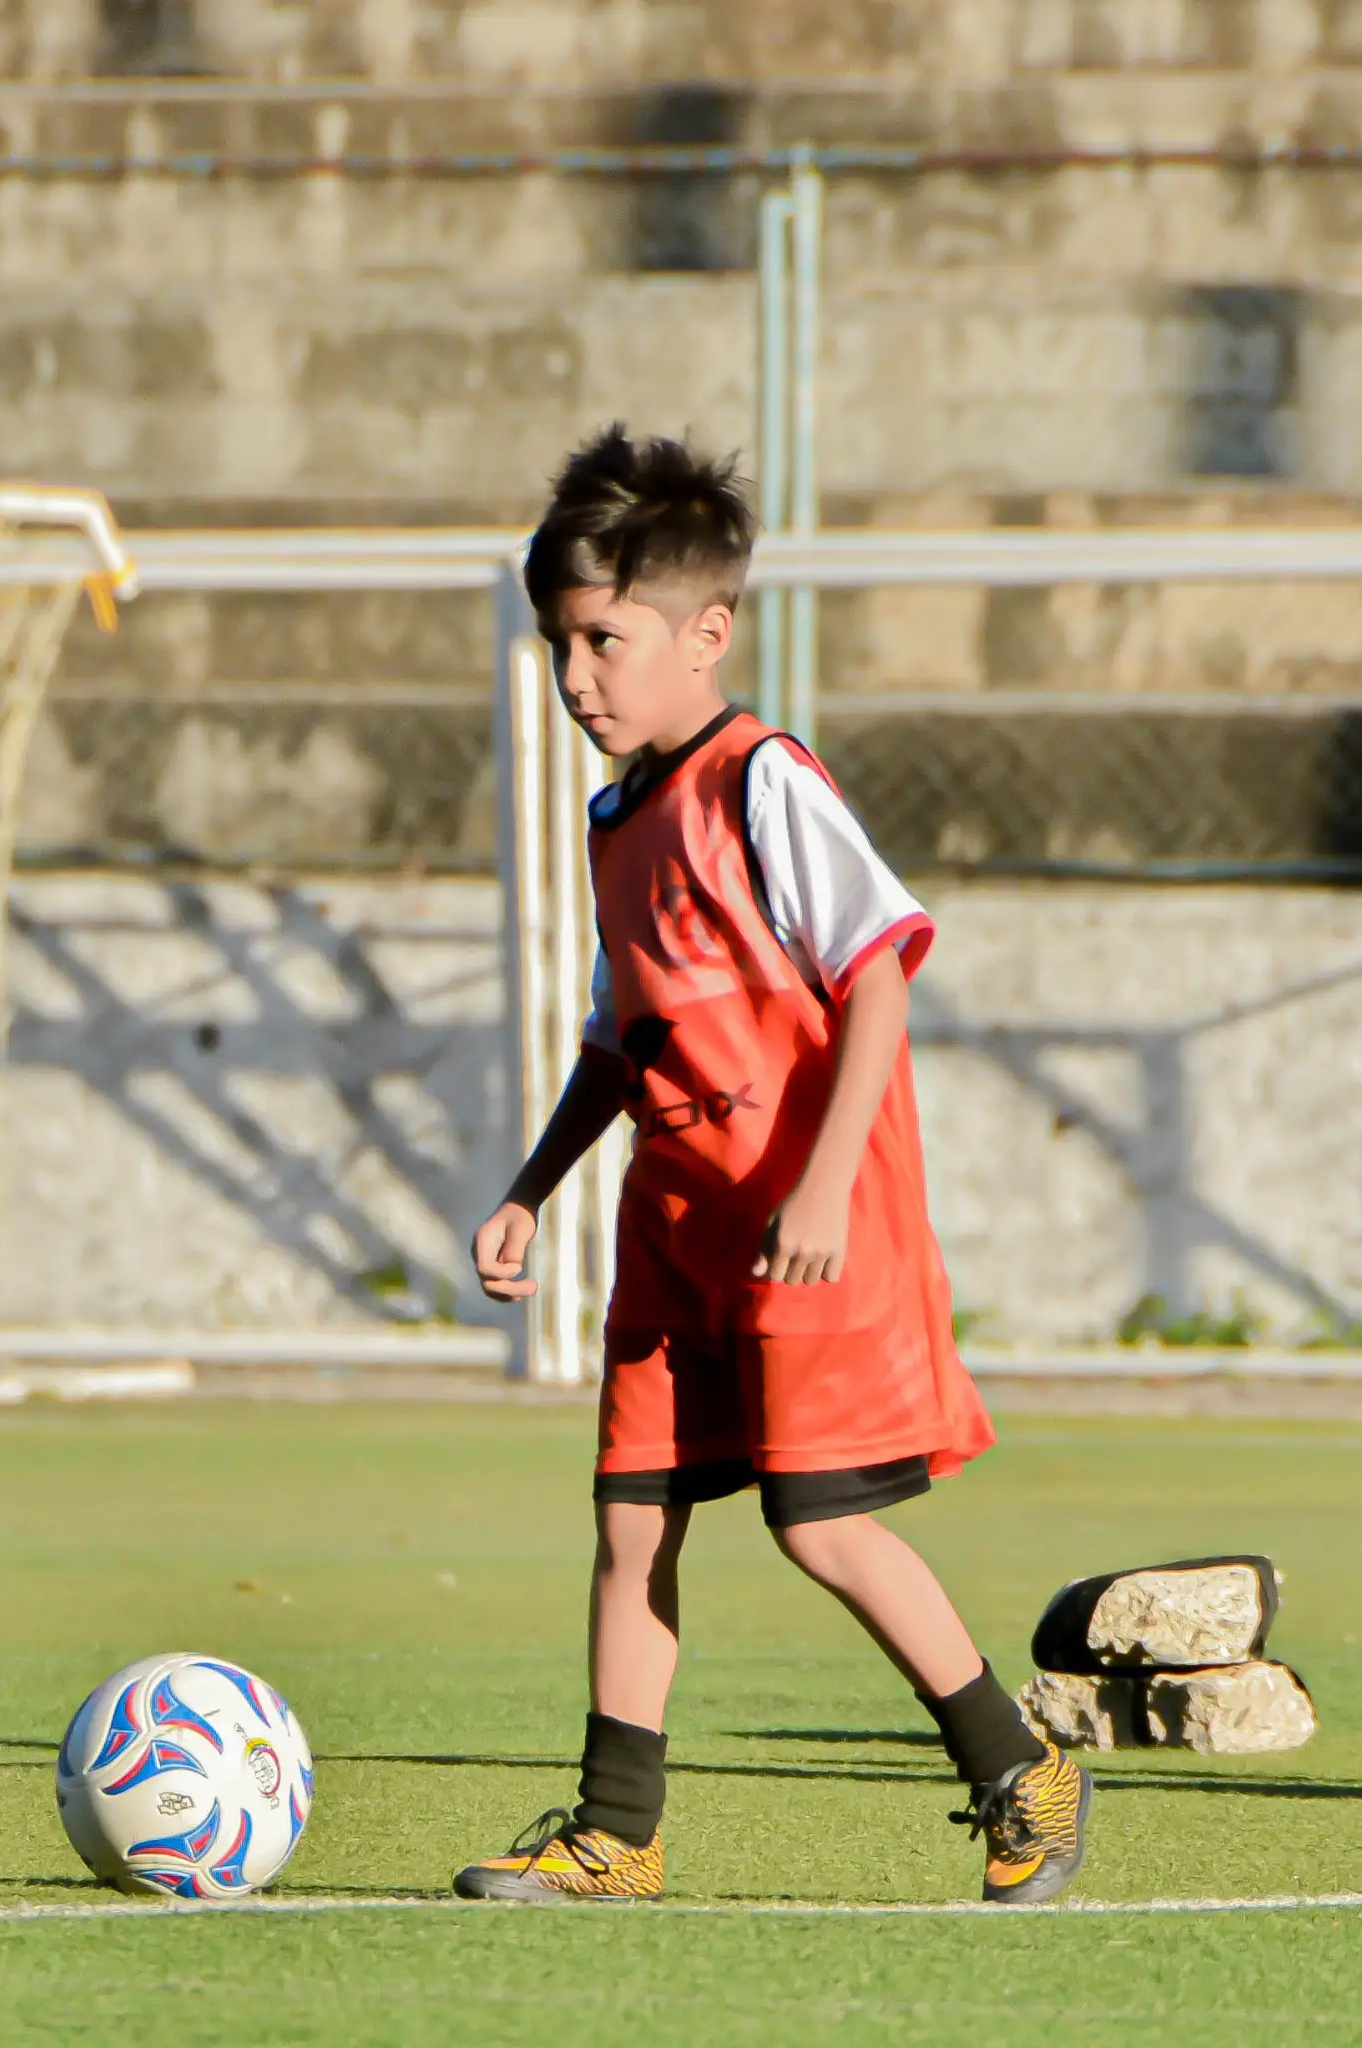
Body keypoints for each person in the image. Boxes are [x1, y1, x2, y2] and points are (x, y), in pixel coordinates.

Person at [452, 426, 1090, 1906]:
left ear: (707, 631)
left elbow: (877, 975)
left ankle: (1022, 1770)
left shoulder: (766, 783)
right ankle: (618, 1832)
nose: (575, 678)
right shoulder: (617, 819)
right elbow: (622, 1040)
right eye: (560, 645)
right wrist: (532, 1186)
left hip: (808, 1223)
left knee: (821, 1524)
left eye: (605, 642)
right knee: (630, 1519)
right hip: (672, 1227)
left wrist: (817, 1179)